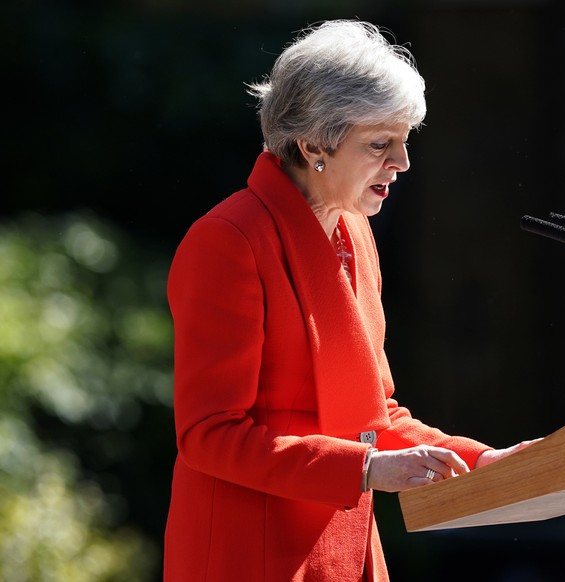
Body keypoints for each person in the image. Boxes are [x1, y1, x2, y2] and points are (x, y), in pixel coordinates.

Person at [163, 19, 536, 582]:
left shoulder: (353, 231)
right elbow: (208, 434)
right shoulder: (229, 239)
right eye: (380, 145)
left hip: (344, 546)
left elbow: (372, 414)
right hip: (250, 550)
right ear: (313, 143)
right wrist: (366, 468)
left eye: (405, 142)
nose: (402, 164)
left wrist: (480, 459)